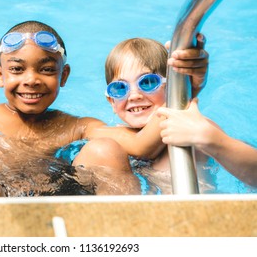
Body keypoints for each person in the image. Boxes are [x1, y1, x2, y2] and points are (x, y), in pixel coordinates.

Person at [0, 21, 209, 197]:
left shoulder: (76, 126)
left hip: (70, 210)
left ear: (63, 76)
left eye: (47, 69)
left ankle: (126, 234)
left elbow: (141, 145)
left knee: (106, 149)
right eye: (18, 68)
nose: (32, 80)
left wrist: (181, 87)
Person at [76, 37, 256, 194]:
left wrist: (211, 139)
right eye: (120, 88)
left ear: (171, 87)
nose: (134, 95)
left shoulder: (193, 129)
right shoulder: (119, 140)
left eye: (147, 82)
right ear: (112, 102)